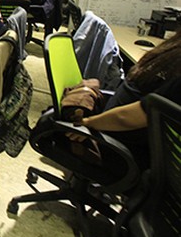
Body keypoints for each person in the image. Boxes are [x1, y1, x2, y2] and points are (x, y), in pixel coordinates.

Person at [73, 31, 181, 169]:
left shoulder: (170, 52)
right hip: (120, 152)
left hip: (111, 137)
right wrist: (88, 124)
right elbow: (126, 117)